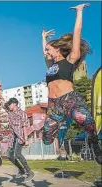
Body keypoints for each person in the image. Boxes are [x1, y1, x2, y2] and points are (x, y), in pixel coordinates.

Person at [41, 3, 101, 165]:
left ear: (57, 49)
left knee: (87, 121)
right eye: (46, 51)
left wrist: (79, 12)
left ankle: (94, 145)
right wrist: (43, 38)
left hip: (70, 100)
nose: (46, 53)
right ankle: (61, 130)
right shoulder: (51, 67)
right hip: (54, 105)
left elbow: (77, 33)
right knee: (46, 139)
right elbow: (44, 56)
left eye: (48, 50)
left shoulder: (70, 60)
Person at [5, 98, 35, 183]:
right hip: (12, 137)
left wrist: (26, 139)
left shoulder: (22, 113)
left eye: (9, 104)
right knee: (9, 156)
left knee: (17, 154)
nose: (8, 106)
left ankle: (29, 172)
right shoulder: (10, 113)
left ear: (14, 104)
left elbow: (24, 126)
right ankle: (21, 170)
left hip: (20, 136)